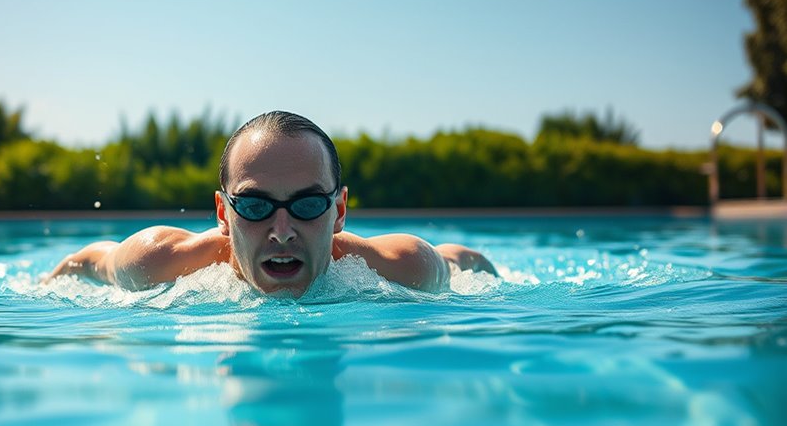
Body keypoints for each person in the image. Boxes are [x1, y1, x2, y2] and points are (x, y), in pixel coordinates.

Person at [47, 111, 497, 296]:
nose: (282, 230)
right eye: (257, 206)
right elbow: (87, 262)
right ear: (224, 214)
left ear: (339, 212)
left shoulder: (407, 267)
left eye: (305, 205)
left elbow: (469, 262)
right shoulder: (156, 261)